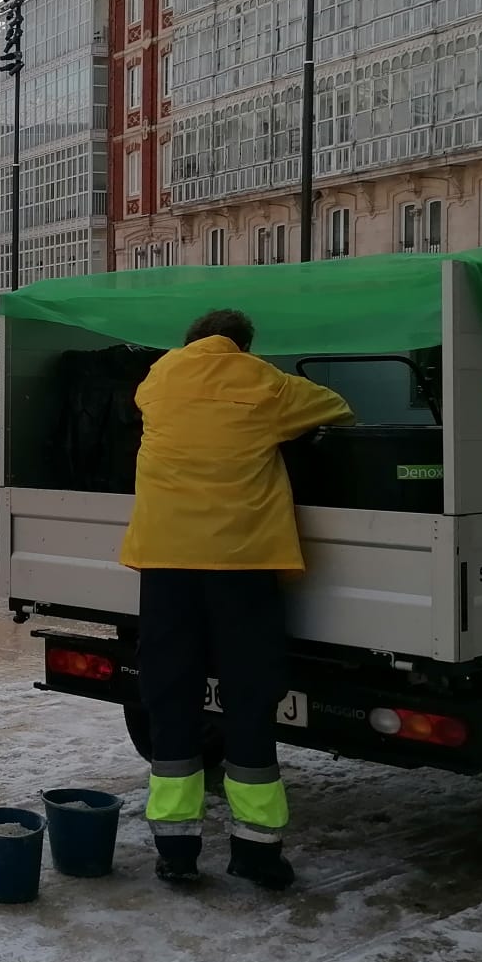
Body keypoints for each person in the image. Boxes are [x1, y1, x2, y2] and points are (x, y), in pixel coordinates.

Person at [119, 308, 352, 891]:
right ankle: (256, 850)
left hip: (165, 563)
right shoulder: (264, 382)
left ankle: (175, 849)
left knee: (170, 697)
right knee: (248, 699)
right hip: (241, 566)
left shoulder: (157, 378)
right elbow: (337, 407)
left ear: (190, 341)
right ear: (244, 344)